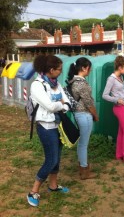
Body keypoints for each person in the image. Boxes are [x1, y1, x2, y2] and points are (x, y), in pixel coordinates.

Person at [27, 55, 70, 207]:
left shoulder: (56, 83)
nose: (61, 72)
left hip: (58, 125)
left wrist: (61, 104)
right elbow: (50, 106)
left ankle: (53, 185)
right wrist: (61, 104)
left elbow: (67, 101)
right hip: (45, 126)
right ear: (51, 70)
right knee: (51, 159)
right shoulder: (37, 85)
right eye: (59, 69)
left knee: (57, 157)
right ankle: (33, 191)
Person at [102, 56, 124, 165]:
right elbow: (104, 95)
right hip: (118, 108)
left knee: (122, 132)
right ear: (120, 67)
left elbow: (119, 92)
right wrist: (117, 100)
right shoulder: (111, 79)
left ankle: (119, 155)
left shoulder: (121, 78)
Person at [67, 57, 99, 180]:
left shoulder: (73, 81)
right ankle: (84, 170)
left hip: (78, 114)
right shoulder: (81, 83)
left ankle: (82, 167)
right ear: (84, 68)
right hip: (84, 115)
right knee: (84, 144)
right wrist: (95, 115)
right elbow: (88, 103)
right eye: (89, 68)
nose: (89, 71)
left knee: (82, 143)